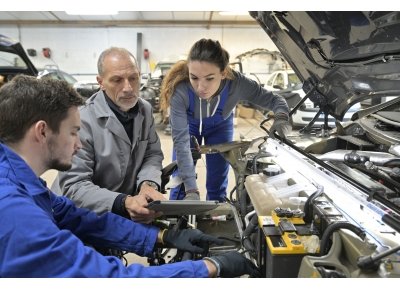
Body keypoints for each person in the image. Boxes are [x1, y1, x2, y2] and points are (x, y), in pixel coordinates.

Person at [0, 75, 259, 278]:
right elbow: (109, 278)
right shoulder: (14, 212)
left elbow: (80, 219)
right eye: (73, 132)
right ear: (42, 132)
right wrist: (210, 267)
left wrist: (162, 237)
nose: (78, 144)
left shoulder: (23, 182)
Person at [160, 38, 291, 201]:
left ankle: (216, 215)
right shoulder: (180, 91)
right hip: (189, 126)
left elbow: (275, 100)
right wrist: (191, 190)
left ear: (223, 73)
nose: (201, 87)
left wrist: (282, 118)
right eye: (194, 78)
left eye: (209, 78)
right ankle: (179, 211)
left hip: (220, 126)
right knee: (181, 178)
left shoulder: (238, 84)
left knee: (218, 177)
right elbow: (181, 143)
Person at [52, 47, 165, 224]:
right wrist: (123, 202)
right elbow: (74, 186)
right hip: (78, 215)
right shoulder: (81, 121)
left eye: (133, 78)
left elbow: (152, 154)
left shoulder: (145, 110)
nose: (128, 88)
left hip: (122, 207)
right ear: (101, 82)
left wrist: (148, 184)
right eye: (117, 80)